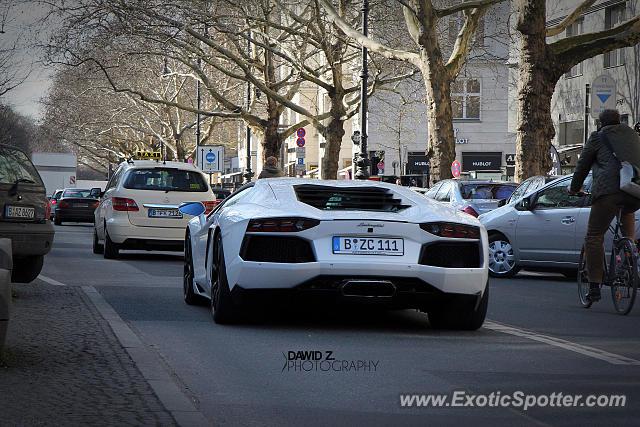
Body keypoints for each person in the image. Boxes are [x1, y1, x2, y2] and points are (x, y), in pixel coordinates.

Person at [569, 109, 640, 306]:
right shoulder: (633, 135)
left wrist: (574, 189)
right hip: (634, 191)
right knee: (628, 235)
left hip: (608, 193)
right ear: (619, 121)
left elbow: (582, 165)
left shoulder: (598, 137)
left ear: (601, 123)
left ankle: (593, 286)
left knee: (594, 236)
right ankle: (630, 263)